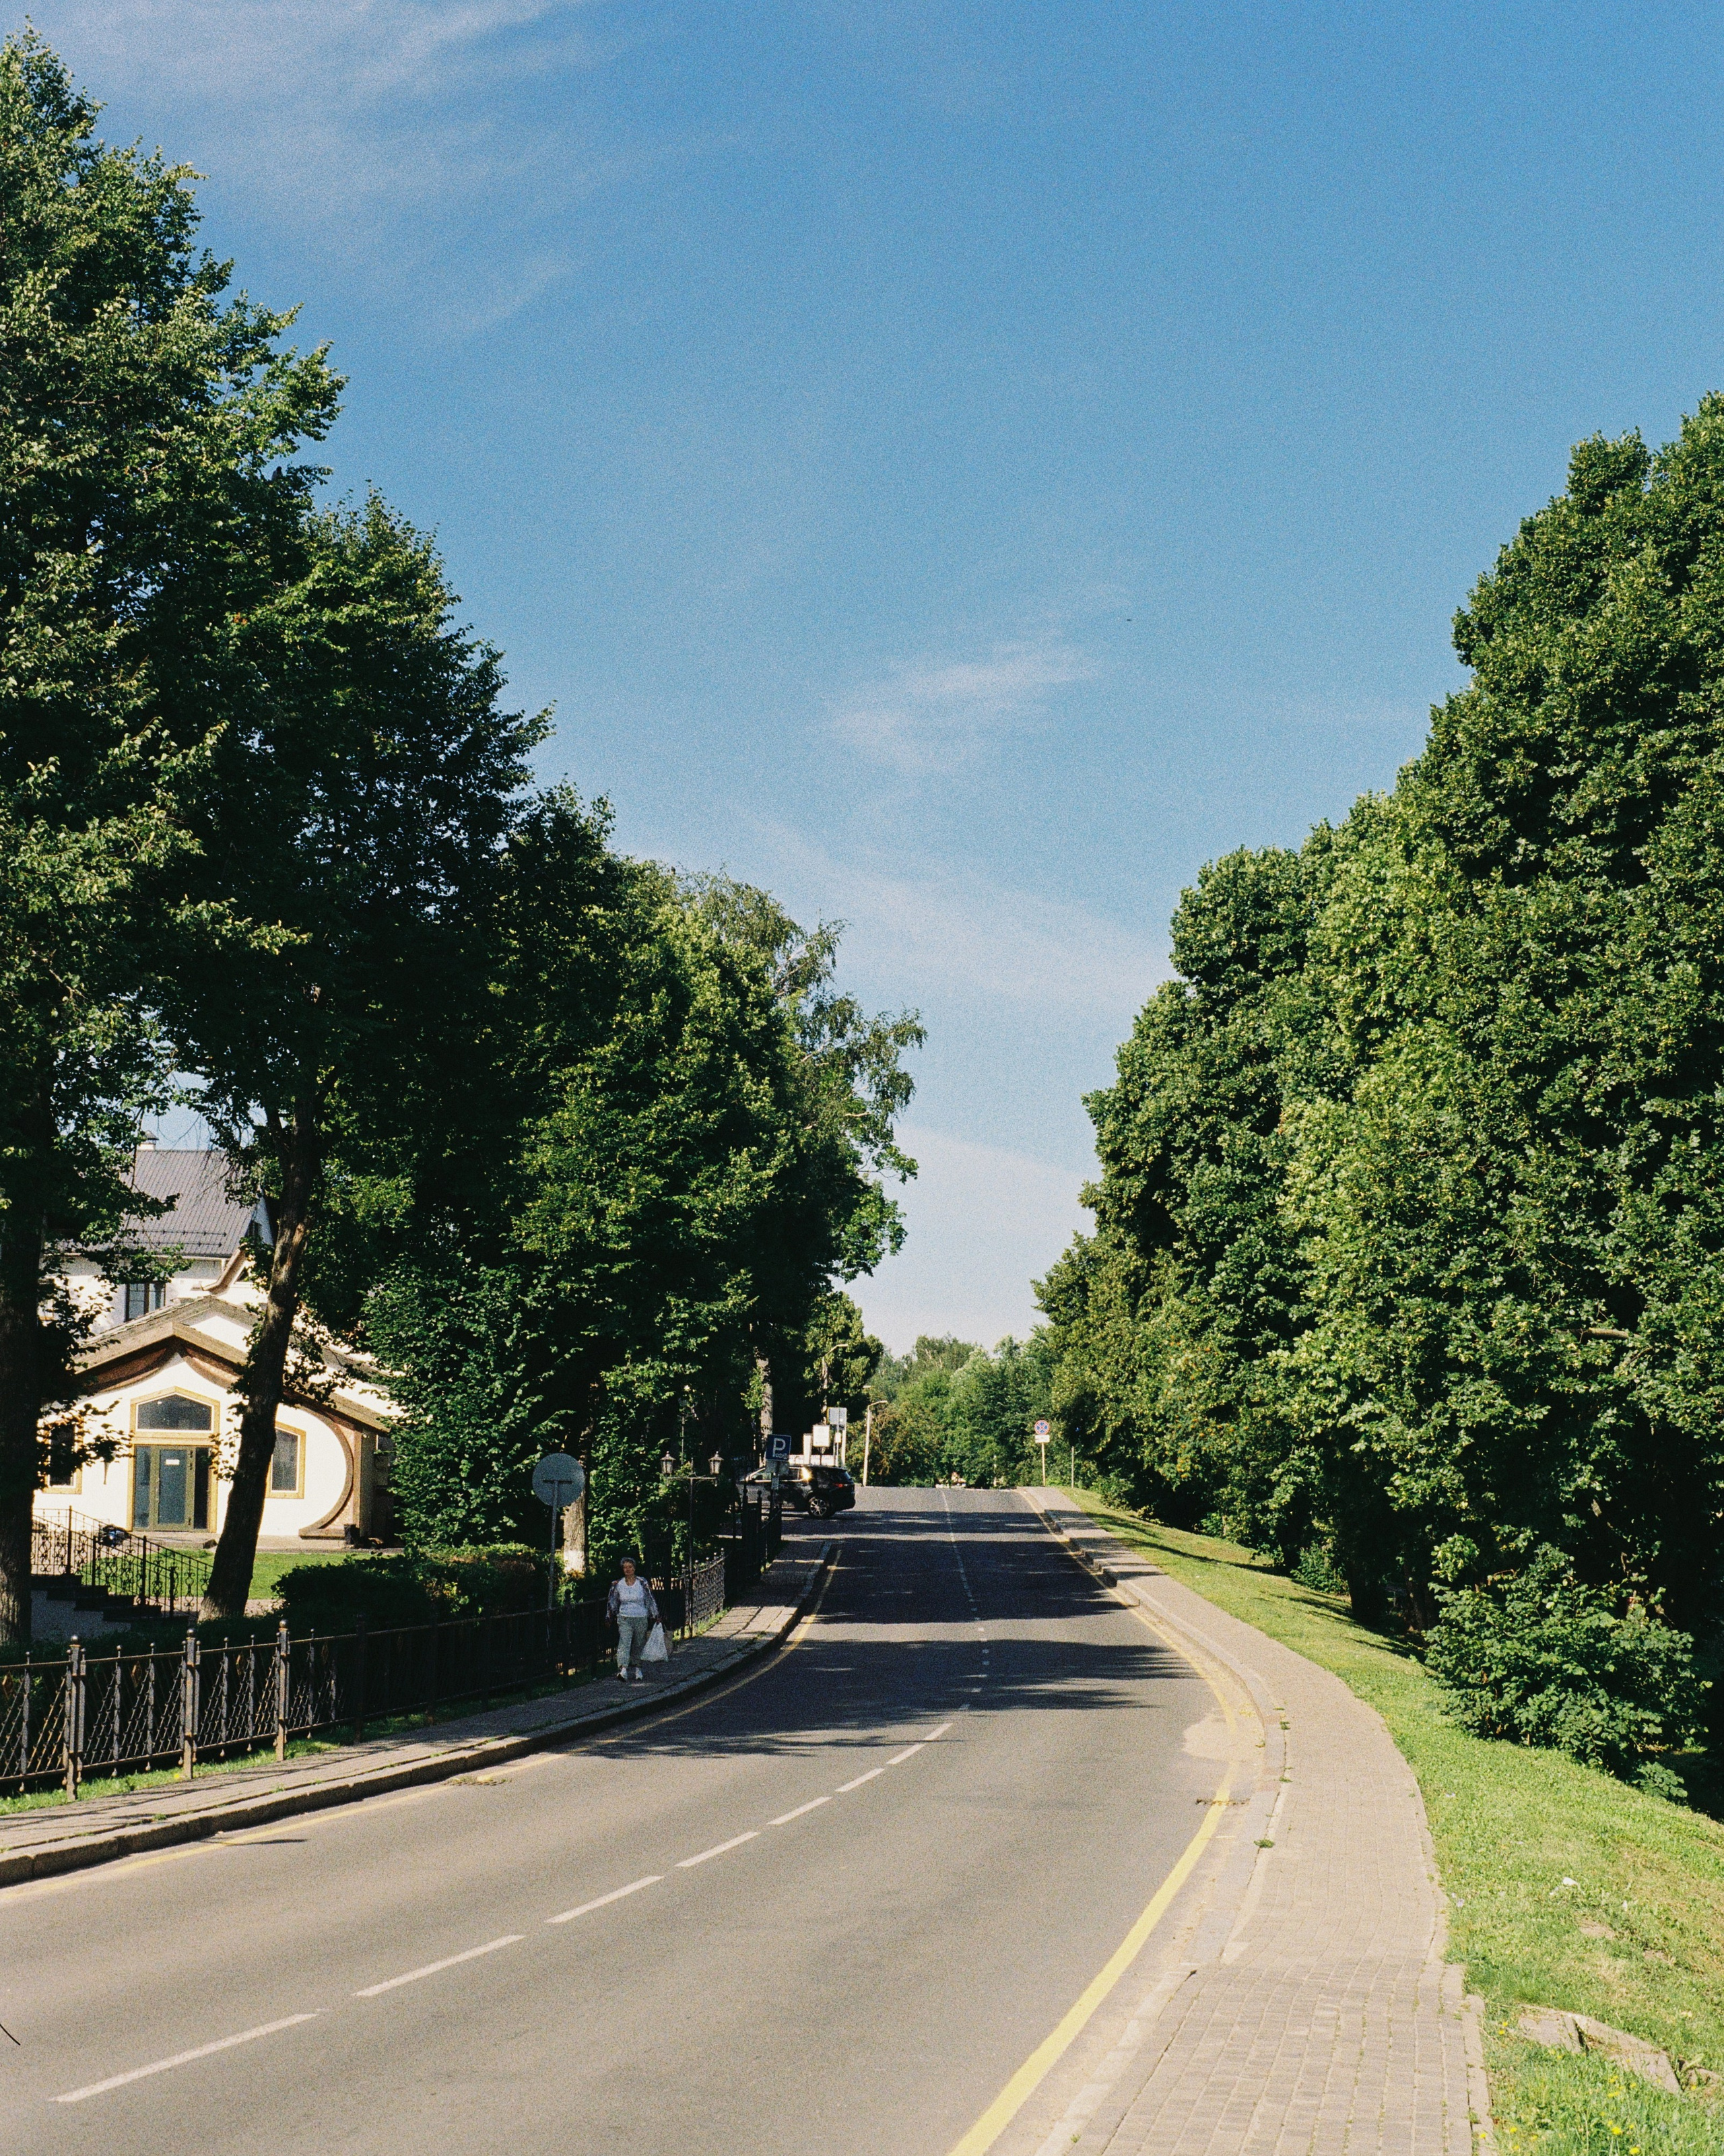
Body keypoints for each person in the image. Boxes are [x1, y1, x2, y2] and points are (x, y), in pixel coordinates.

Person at [606, 1557, 661, 1682]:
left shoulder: (642, 1582)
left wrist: (656, 1615)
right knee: (624, 1643)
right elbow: (612, 1602)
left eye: (630, 1567)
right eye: (625, 1567)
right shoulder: (617, 1584)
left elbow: (650, 1599)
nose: (628, 1570)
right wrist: (609, 1617)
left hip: (641, 1617)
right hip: (625, 1617)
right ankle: (624, 1670)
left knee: (638, 1643)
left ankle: (638, 1668)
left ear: (634, 1569)